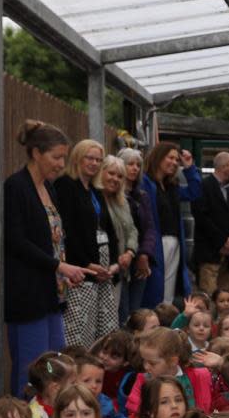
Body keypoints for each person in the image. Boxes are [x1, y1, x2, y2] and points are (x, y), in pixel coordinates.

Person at [4, 121, 88, 396]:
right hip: (29, 295)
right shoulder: (16, 186)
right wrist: (58, 266)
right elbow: (16, 241)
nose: (61, 163)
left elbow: (55, 239)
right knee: (33, 367)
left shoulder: (49, 188)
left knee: (54, 364)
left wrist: (67, 269)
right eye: (56, 157)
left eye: (64, 157)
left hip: (53, 293)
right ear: (36, 153)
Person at [55, 140, 118, 346]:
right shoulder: (66, 185)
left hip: (102, 269)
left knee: (102, 329)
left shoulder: (95, 190)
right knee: (78, 328)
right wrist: (84, 263)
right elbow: (68, 231)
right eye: (89, 158)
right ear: (77, 158)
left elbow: (108, 228)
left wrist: (113, 265)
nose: (94, 163)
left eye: (98, 160)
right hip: (80, 270)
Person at [139, 142, 201, 307]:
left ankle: (166, 323)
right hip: (156, 244)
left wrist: (189, 168)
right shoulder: (146, 182)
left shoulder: (171, 186)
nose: (174, 162)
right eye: (170, 158)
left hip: (174, 242)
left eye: (177, 160)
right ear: (158, 157)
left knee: (169, 290)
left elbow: (194, 192)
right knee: (155, 289)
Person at [125, 327, 212, 418]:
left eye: (152, 363)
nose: (146, 367)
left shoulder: (197, 377)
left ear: (173, 361)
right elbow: (134, 414)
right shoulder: (144, 379)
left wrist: (221, 365)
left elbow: (208, 410)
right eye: (144, 361)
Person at [192, 151, 229, 295]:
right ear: (223, 167)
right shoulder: (203, 187)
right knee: (209, 294)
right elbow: (202, 218)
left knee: (226, 296)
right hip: (209, 253)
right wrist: (222, 242)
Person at [98, 155, 140, 326]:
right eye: (111, 174)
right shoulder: (96, 199)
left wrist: (130, 252)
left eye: (120, 176)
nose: (115, 179)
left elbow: (133, 230)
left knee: (118, 318)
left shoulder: (122, 202)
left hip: (121, 270)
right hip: (103, 270)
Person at [118, 148, 155, 320]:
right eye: (130, 164)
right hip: (120, 259)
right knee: (122, 310)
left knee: (135, 311)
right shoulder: (111, 194)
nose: (134, 168)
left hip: (139, 258)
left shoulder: (142, 195)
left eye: (138, 165)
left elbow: (149, 228)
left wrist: (144, 254)